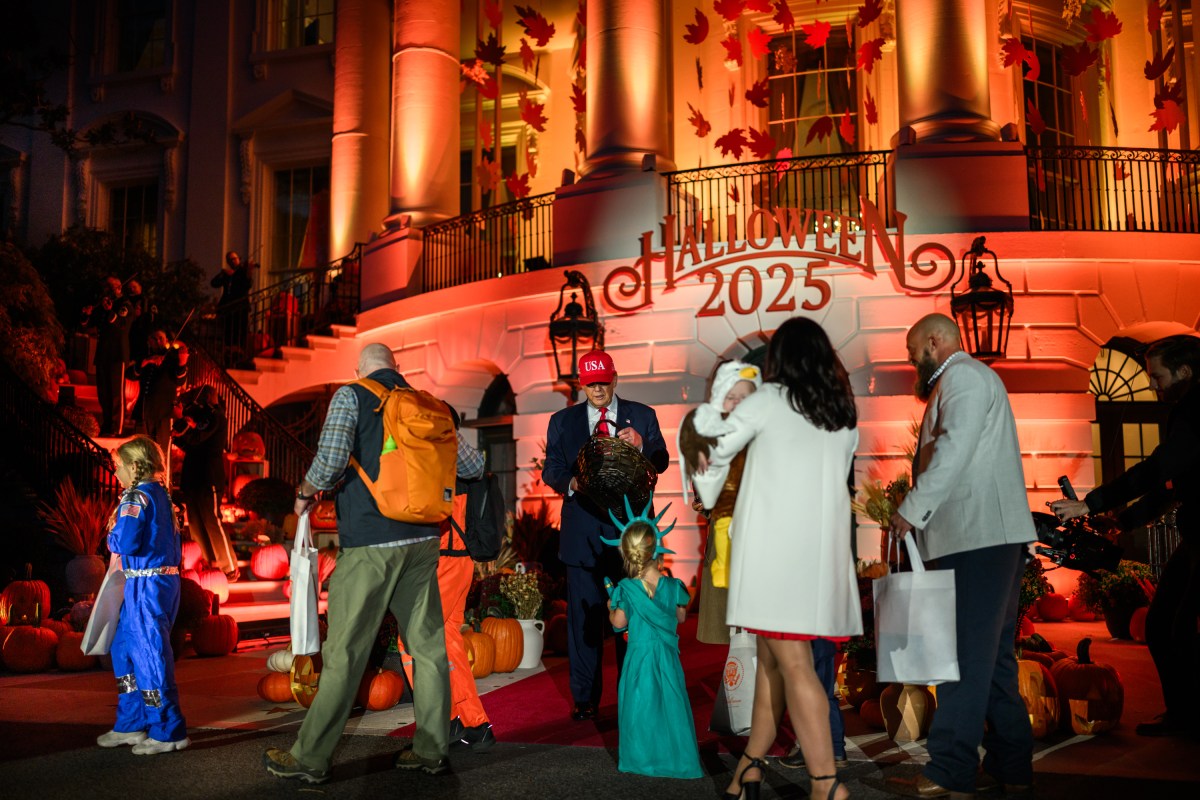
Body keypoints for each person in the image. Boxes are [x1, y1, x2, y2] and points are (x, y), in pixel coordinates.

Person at [263, 343, 484, 785]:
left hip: (371, 544)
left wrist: (305, 492)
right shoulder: (431, 405)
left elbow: (328, 463)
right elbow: (473, 466)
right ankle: (431, 750)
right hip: (424, 543)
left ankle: (310, 758)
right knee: (428, 649)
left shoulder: (352, 395)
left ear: (360, 369)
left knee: (344, 651)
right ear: (396, 369)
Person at [691, 317, 860, 800]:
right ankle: (749, 767)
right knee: (769, 661)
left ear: (780, 360)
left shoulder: (768, 401)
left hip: (774, 558)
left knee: (794, 664)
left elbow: (716, 451)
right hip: (820, 559)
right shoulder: (842, 414)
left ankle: (826, 783)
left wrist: (704, 486)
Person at [887, 312, 1036, 798]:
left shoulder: (963, 377)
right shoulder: (965, 379)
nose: (912, 362)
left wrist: (911, 510)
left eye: (914, 352)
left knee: (964, 660)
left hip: (975, 538)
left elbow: (954, 449)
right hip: (986, 538)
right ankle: (1012, 767)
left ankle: (951, 772)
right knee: (991, 661)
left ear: (935, 342)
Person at [1051, 334, 1200, 739]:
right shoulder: (1186, 411)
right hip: (1194, 537)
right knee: (1163, 622)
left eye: (1158, 377)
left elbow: (1156, 470)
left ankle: (1190, 717)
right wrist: (1124, 520)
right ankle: (1183, 714)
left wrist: (1091, 503)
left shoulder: (1196, 411)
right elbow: (1171, 485)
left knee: (1182, 625)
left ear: (1185, 373)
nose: (1154, 385)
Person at [542, 349, 670, 722]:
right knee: (584, 621)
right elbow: (552, 468)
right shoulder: (562, 422)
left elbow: (660, 460)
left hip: (629, 533)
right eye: (590, 382)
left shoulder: (643, 416)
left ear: (615, 379)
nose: (597, 389)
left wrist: (642, 446)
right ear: (583, 383)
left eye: (603, 381)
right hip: (582, 534)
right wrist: (571, 482)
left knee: (631, 617)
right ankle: (585, 698)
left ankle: (635, 693)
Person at [96, 435, 189, 755]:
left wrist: (112, 530)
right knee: (125, 648)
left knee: (149, 654)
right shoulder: (158, 494)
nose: (116, 472)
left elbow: (125, 542)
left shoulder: (136, 497)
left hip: (148, 587)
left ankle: (167, 730)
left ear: (134, 466)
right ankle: (132, 721)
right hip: (150, 584)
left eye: (118, 467)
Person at [605, 497, 702, 779]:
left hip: (639, 659)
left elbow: (618, 625)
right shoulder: (674, 585)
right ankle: (678, 760)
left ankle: (641, 760)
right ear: (657, 549)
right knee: (671, 705)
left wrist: (611, 607)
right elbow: (681, 617)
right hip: (668, 659)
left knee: (640, 708)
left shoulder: (625, 589)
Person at [679, 360, 762, 645]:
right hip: (725, 533)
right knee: (732, 631)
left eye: (743, 394)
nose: (736, 400)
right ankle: (735, 682)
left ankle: (750, 683)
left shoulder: (765, 429)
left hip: (760, 537)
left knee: (761, 627)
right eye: (729, 392)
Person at [174, 386, 238, 580]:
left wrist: (181, 421)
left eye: (198, 398)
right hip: (193, 476)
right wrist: (182, 430)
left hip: (208, 475)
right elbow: (186, 442)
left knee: (212, 520)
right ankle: (209, 563)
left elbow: (197, 438)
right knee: (195, 522)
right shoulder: (204, 417)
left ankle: (228, 566)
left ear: (209, 398)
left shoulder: (215, 416)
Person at [130, 331, 188, 475]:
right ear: (149, 341)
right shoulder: (144, 357)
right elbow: (130, 374)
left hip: (163, 414)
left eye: (161, 338)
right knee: (141, 452)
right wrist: (147, 362)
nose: (158, 341)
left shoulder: (171, 359)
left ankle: (160, 488)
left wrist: (182, 362)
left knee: (160, 454)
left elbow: (180, 379)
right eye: (154, 338)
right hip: (144, 412)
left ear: (166, 340)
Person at [84, 276, 134, 436]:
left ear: (119, 288)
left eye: (112, 287)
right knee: (103, 393)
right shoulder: (102, 304)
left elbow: (121, 324)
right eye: (107, 287)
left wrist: (109, 311)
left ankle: (116, 428)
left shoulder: (125, 304)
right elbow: (89, 326)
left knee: (116, 395)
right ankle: (106, 424)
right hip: (103, 354)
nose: (109, 291)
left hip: (117, 354)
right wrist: (87, 314)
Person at [211, 251, 252, 366]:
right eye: (230, 259)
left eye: (234, 258)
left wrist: (247, 271)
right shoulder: (227, 274)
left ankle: (240, 359)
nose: (233, 261)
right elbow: (213, 283)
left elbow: (247, 285)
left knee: (240, 334)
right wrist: (222, 273)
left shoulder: (242, 272)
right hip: (228, 309)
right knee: (228, 335)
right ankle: (228, 359)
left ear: (239, 259)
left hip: (240, 308)